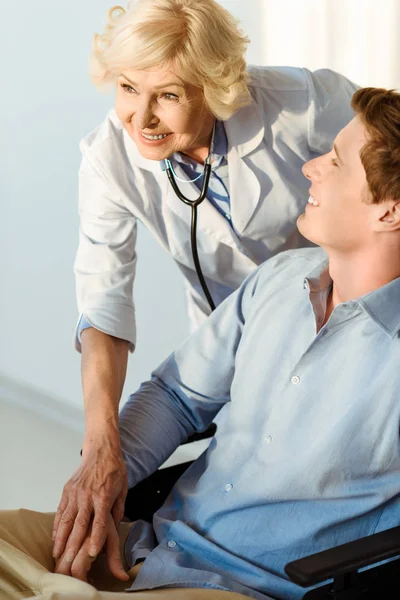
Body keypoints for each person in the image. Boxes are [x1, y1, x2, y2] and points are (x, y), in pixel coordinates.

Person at [2, 85, 400, 600]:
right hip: (152, 547)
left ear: (390, 211)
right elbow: (176, 396)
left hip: (248, 586)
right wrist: (104, 482)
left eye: (336, 161)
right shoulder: (277, 280)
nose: (310, 167)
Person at [57, 0, 359, 574]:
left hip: (338, 339)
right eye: (126, 87)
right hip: (232, 350)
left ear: (214, 85)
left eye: (167, 95)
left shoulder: (303, 105)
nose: (139, 117)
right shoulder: (107, 160)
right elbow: (105, 298)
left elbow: (384, 158)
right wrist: (101, 447)